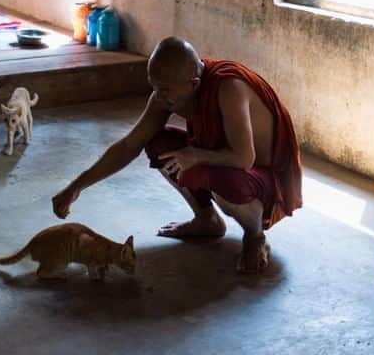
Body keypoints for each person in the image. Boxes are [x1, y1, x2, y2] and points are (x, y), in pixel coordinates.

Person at [52, 36, 302, 273]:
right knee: (159, 144)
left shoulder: (229, 88)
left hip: (263, 178)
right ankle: (207, 219)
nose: (158, 96)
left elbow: (243, 158)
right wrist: (76, 187)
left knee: (218, 177)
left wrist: (196, 155)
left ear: (193, 84)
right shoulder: (172, 91)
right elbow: (130, 144)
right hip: (228, 163)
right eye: (154, 87)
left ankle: (255, 236)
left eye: (164, 90)